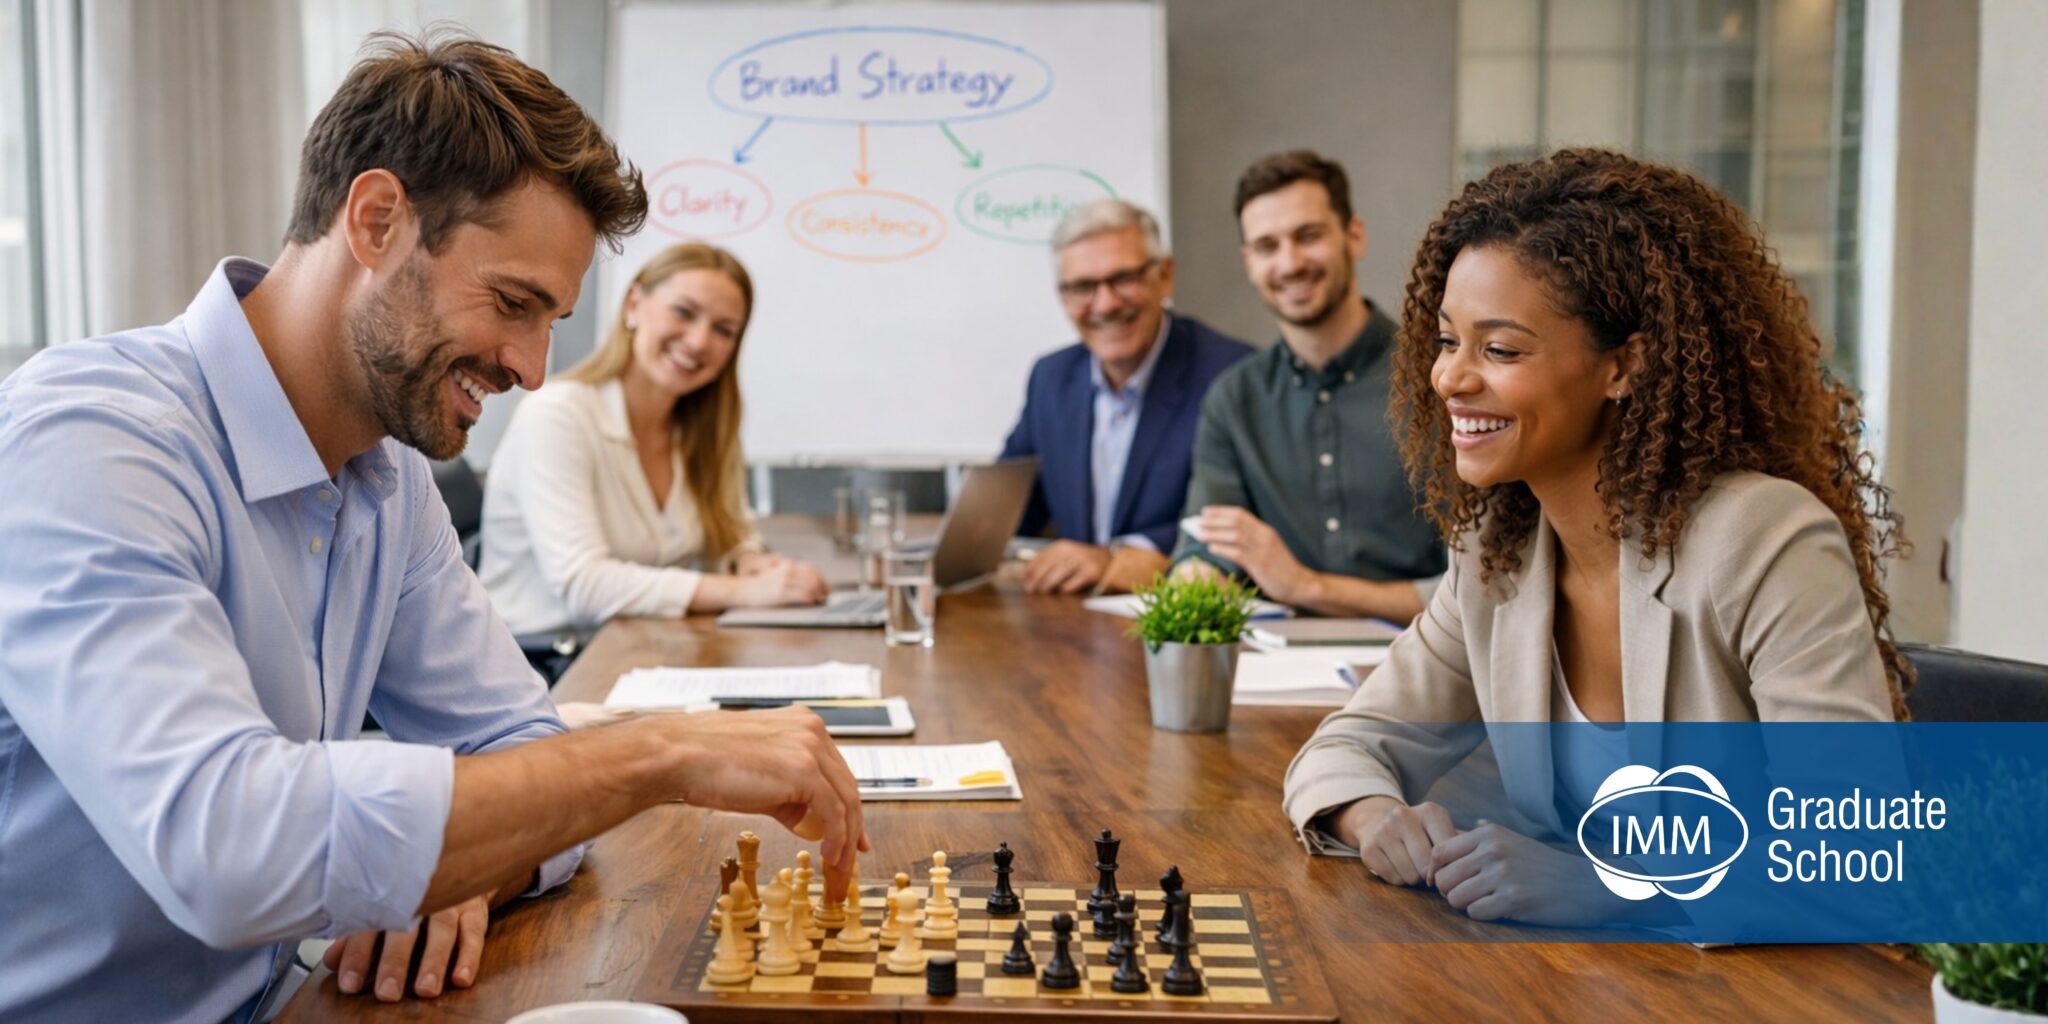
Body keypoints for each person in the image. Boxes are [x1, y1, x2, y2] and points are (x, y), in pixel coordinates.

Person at [0, 34, 864, 1020]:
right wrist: (654, 754)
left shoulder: (389, 477)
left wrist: (461, 872)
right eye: (512, 302)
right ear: (375, 220)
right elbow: (225, 848)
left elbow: (516, 738)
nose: (533, 368)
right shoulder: (92, 439)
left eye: (551, 321)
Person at [1280, 148, 1907, 925]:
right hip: (1590, 984)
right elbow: (1348, 746)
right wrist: (1375, 818)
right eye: (1447, 341)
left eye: (1499, 349)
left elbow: (1850, 849)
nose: (1449, 378)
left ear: (1625, 366)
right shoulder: (1497, 555)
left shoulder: (1762, 538)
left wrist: (1611, 885)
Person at [480, 242, 828, 639]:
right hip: (548, 664)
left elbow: (732, 529)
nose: (699, 342)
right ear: (634, 304)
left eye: (723, 330)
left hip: (639, 647)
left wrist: (746, 561)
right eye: (683, 312)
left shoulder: (699, 425)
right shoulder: (558, 414)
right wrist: (745, 591)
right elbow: (584, 584)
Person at [1173, 151, 1445, 619]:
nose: (1290, 263)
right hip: (1278, 673)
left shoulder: (1441, 378)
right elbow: (1206, 550)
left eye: (1308, 236)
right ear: (1248, 262)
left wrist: (1307, 587)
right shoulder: (1234, 399)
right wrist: (1195, 582)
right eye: (1266, 246)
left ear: (1353, 236)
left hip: (1431, 663)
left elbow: (1483, 584)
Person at [999, 199, 1253, 595]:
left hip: (1178, 624)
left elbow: (1236, 516)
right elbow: (1008, 509)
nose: (1106, 304)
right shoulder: (1051, 378)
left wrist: (1116, 558)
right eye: (1083, 287)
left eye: (1123, 279)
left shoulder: (1232, 376)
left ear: (1164, 276)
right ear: (1063, 297)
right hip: (1073, 624)